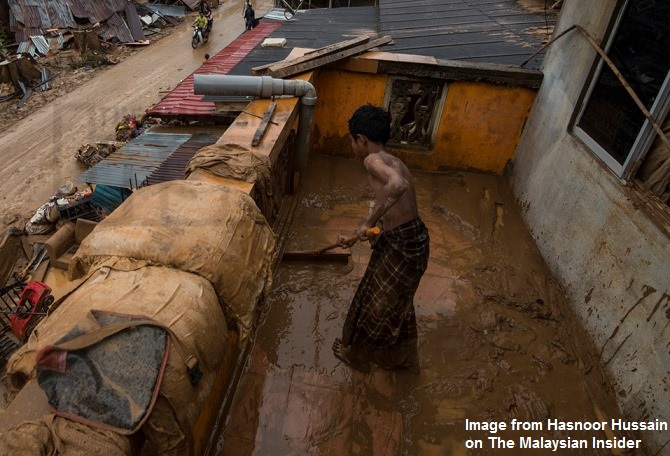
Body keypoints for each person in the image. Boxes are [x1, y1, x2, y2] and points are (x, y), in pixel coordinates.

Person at [332, 104, 430, 374]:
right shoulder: (392, 160)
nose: (353, 147)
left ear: (361, 139)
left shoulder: (371, 160)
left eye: (353, 141)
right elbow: (390, 204)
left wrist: (368, 223)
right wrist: (360, 233)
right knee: (397, 303)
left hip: (404, 245)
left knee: (377, 305)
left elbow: (397, 186)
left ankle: (362, 358)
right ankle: (405, 358)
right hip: (412, 239)